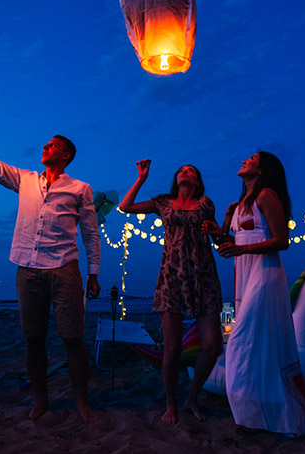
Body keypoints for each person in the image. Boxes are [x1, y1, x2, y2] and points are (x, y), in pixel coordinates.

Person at [0, 91, 101, 423]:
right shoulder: (25, 180)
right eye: (45, 145)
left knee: (72, 338)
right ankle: (41, 401)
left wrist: (94, 273)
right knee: (34, 339)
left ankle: (81, 401)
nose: (45, 148)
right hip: (27, 269)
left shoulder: (80, 189)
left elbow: (90, 232)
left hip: (64, 269)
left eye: (52, 145)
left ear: (66, 154)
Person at [203, 151, 305, 436]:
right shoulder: (240, 203)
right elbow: (230, 242)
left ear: (263, 170)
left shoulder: (266, 196)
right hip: (244, 276)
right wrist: (218, 229)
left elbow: (282, 240)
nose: (244, 160)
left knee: (241, 340)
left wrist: (239, 248)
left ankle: (254, 413)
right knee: (260, 343)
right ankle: (257, 414)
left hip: (265, 275)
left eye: (252, 158)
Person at [119, 160, 223, 424]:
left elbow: (218, 237)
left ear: (198, 182)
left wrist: (219, 232)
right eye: (181, 170)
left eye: (191, 170)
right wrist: (141, 178)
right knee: (172, 347)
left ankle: (192, 397)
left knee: (213, 346)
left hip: (203, 276)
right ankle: (170, 404)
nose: (185, 172)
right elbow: (125, 207)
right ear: (176, 179)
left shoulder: (205, 204)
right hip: (171, 277)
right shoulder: (163, 203)